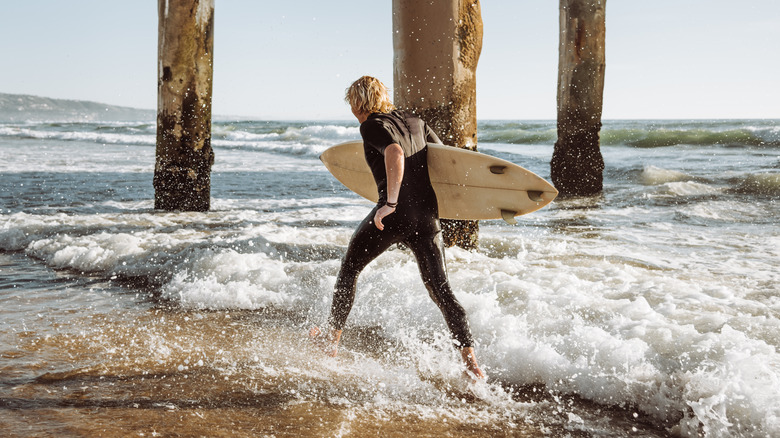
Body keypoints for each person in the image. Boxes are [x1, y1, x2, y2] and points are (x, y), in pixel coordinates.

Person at [310, 76, 485, 380]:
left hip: (393, 215)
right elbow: (444, 160)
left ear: (357, 103)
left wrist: (389, 203)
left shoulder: (371, 125)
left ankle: (331, 341)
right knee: (441, 290)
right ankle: (471, 364)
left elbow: (394, 152)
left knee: (350, 269)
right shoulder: (416, 120)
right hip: (427, 218)